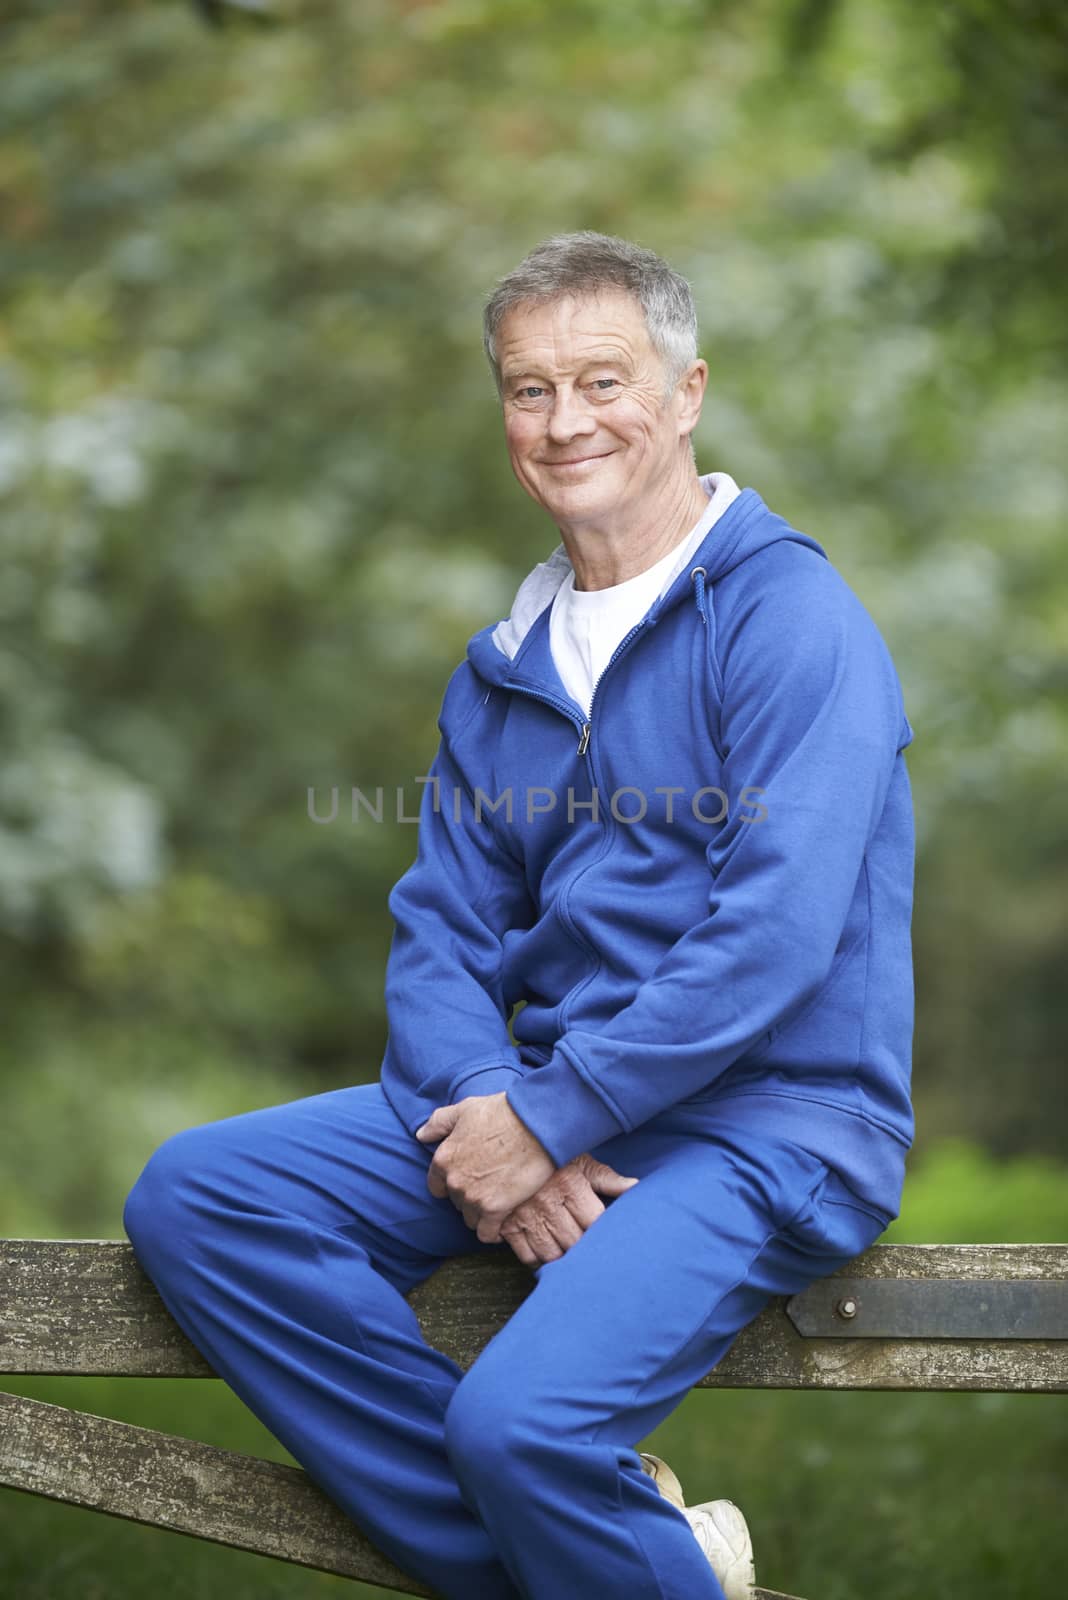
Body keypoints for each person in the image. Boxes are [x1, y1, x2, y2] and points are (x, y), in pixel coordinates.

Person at [123, 231, 916, 1600]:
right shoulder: (503, 671)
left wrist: (552, 1119)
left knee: (525, 1425)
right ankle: (621, 1560)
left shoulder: (791, 619)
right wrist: (501, 1100)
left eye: (602, 381)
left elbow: (775, 936)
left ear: (685, 395)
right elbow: (441, 928)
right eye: (528, 389)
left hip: (771, 1116)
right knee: (204, 1199)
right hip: (557, 1094)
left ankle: (599, 1543)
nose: (566, 421)